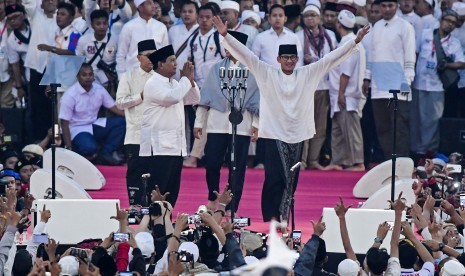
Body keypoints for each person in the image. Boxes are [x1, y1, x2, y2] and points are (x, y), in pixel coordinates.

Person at [212, 16, 370, 222]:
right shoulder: (267, 72)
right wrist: (225, 36)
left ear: (297, 59)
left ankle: (283, 217)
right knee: (273, 178)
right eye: (284, 57)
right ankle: (270, 217)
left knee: (291, 179)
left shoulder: (308, 73)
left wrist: (355, 42)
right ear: (278, 59)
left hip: (297, 133)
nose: (288, 60)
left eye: (292, 57)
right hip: (273, 134)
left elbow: (331, 58)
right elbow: (247, 55)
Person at [193, 31, 260, 213]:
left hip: (242, 126)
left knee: (237, 168)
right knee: (212, 162)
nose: (228, 49)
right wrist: (199, 123)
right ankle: (213, 196)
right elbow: (205, 98)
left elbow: (256, 100)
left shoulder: (252, 71)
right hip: (216, 124)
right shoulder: (215, 69)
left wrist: (256, 125)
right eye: (227, 45)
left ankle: (232, 206)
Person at [139, 45, 200, 208]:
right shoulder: (153, 83)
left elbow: (194, 99)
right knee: (157, 190)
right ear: (160, 64)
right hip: (158, 147)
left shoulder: (175, 84)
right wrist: (185, 80)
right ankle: (153, 226)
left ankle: (165, 224)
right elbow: (172, 98)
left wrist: (191, 80)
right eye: (172, 61)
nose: (176, 64)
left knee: (171, 191)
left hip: (175, 146)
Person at [362, 0, 416, 160]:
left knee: (399, 128)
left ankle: (401, 165)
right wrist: (367, 77)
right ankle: (388, 164)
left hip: (399, 85)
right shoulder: (376, 27)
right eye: (383, 6)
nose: (386, 9)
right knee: (382, 128)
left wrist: (407, 80)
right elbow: (371, 55)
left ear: (397, 6)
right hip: (378, 86)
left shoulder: (405, 26)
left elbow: (410, 56)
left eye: (390, 6)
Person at [411, 10, 465, 155]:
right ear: (441, 20)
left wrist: (447, 65)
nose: (450, 25)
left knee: (433, 121)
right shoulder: (426, 34)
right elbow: (414, 53)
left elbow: (462, 63)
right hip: (419, 82)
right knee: (417, 119)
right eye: (448, 20)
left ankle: (429, 151)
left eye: (453, 23)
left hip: (437, 86)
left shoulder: (454, 43)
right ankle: (416, 151)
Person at [296, 3, 337, 170]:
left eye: (313, 15)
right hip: (305, 87)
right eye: (307, 16)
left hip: (324, 86)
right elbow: (295, 63)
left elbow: (333, 60)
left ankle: (313, 159)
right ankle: (302, 161)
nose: (310, 18)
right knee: (304, 125)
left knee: (320, 126)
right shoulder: (297, 36)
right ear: (303, 19)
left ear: (319, 17)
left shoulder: (330, 36)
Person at [116, 39, 157, 206]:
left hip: (156, 133)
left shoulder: (160, 77)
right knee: (135, 170)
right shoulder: (128, 76)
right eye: (148, 56)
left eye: (154, 55)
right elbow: (119, 102)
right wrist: (139, 97)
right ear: (139, 57)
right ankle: (134, 204)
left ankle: (153, 205)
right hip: (135, 132)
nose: (151, 59)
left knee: (154, 171)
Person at [59, 64, 126, 165]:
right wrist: (68, 148)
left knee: (122, 122)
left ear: (93, 76)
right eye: (84, 75)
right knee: (89, 148)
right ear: (78, 77)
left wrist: (134, 117)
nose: (88, 77)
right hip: (77, 128)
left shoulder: (99, 89)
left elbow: (114, 108)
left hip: (94, 124)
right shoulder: (70, 94)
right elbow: (64, 123)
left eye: (90, 74)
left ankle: (105, 153)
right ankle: (85, 152)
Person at [327, 10, 366, 171]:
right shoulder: (346, 40)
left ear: (338, 25)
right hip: (337, 93)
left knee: (351, 129)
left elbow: (346, 72)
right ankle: (338, 161)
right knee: (338, 130)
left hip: (346, 94)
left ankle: (358, 162)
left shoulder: (349, 42)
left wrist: (342, 93)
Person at [116, 0, 169, 76]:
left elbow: (165, 54)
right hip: (133, 76)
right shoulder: (128, 27)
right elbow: (121, 55)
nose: (153, 6)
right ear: (140, 7)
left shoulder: (161, 27)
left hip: (155, 77)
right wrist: (121, 77)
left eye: (153, 3)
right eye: (149, 3)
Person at [76, 10, 118, 89]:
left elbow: (120, 60)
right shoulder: (83, 40)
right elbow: (77, 63)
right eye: (98, 24)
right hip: (90, 81)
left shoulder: (115, 39)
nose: (102, 27)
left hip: (110, 80)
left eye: (105, 23)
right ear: (92, 25)